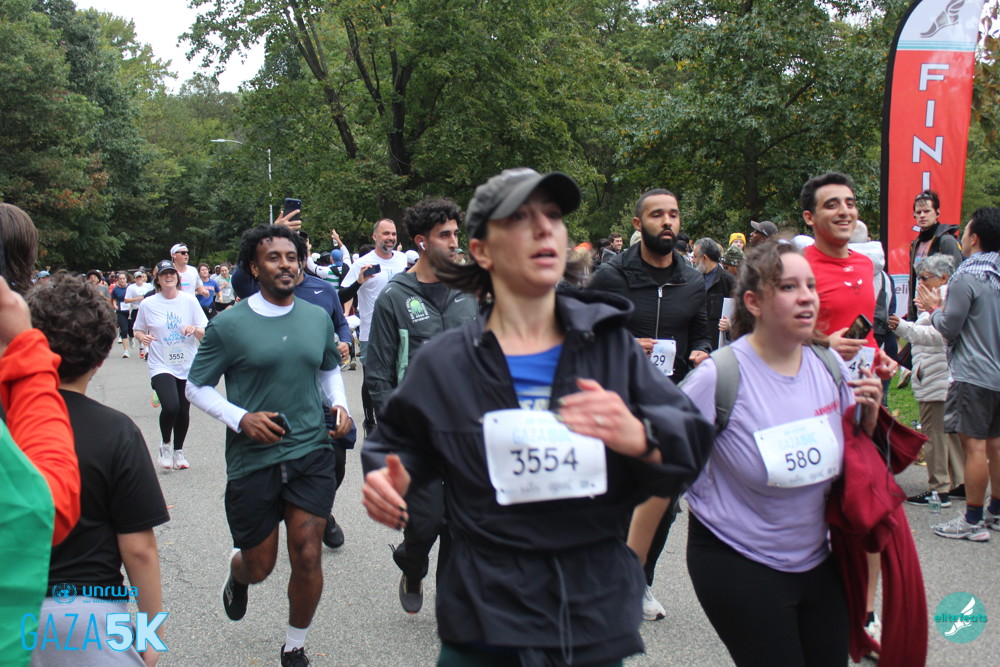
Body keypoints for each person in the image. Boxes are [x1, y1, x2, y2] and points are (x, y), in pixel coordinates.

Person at [361, 167, 713, 666]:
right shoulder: (446, 361)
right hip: (485, 617)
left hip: (588, 614)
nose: (545, 228)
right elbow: (395, 440)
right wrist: (385, 473)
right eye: (521, 219)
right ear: (482, 251)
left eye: (552, 216)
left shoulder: (607, 346)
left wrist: (640, 436)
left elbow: (691, 435)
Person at [680, 241, 883, 667]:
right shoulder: (717, 378)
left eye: (810, 285)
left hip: (820, 556)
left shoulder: (829, 365)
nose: (807, 296)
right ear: (753, 302)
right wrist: (629, 569)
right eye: (789, 286)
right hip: (737, 558)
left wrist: (867, 417)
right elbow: (657, 473)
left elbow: (855, 457)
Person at [185, 224, 352, 666]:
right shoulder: (229, 325)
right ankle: (238, 573)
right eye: (274, 258)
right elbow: (195, 387)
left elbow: (327, 368)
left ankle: (294, 646)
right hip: (254, 459)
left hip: (310, 451)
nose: (285, 265)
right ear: (254, 268)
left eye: (291, 257)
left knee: (308, 551)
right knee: (260, 567)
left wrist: (340, 406)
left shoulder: (316, 317)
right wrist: (240, 418)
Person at [27, 273, 169, 666]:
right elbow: (138, 549)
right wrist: (150, 634)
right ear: (102, 355)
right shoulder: (117, 432)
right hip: (88, 614)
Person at [588, 187, 710, 621]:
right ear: (639, 224)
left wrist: (702, 352)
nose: (667, 222)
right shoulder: (610, 276)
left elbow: (701, 332)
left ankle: (638, 579)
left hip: (669, 403)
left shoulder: (691, 280)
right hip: (617, 400)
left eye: (673, 214)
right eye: (657, 215)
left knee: (666, 500)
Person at [364, 197, 478, 613]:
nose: (454, 242)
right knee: (427, 520)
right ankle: (412, 564)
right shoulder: (395, 297)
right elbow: (378, 373)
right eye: (444, 235)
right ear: (422, 241)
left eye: (455, 233)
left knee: (461, 523)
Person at [917, 207, 1000, 541]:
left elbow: (950, 327)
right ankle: (995, 512)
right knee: (995, 445)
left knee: (975, 447)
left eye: (964, 232)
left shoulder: (968, 276)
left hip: (973, 374)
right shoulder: (996, 274)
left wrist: (934, 310)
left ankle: (972, 519)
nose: (961, 238)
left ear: (974, 238)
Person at [888, 254, 964, 507]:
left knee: (934, 436)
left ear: (943, 278)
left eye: (925, 277)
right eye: (918, 277)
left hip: (936, 376)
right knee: (949, 434)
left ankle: (939, 490)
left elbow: (937, 335)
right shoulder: (948, 297)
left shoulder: (944, 299)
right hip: (939, 375)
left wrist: (902, 327)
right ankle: (959, 483)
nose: (920, 282)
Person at [133, 260, 207, 471]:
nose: (168, 276)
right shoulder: (148, 303)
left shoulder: (189, 300)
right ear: (157, 279)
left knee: (183, 410)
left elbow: (204, 333)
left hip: (186, 363)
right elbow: (137, 329)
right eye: (164, 274)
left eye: (172, 273)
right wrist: (142, 338)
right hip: (161, 363)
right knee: (171, 406)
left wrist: (194, 330)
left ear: (177, 277)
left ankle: (178, 451)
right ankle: (165, 445)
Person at [338, 218, 408, 435]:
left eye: (393, 234)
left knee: (399, 378)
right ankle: (370, 423)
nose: (390, 238)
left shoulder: (402, 259)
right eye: (386, 233)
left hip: (400, 330)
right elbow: (341, 296)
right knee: (372, 380)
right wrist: (359, 281)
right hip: (371, 332)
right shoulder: (361, 263)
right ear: (375, 237)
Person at [907, 190, 962, 320]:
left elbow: (957, 278)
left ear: (937, 213)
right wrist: (911, 314)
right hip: (919, 309)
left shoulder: (946, 241)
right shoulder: (916, 243)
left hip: (940, 310)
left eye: (927, 211)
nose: (922, 215)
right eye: (918, 212)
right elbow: (913, 280)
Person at [692, 238, 736, 351]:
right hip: (697, 345)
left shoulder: (728, 280)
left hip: (719, 346)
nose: (693, 261)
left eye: (695, 257)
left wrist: (731, 324)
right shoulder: (694, 280)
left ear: (704, 258)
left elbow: (743, 313)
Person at [110, 272, 134, 358]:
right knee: (124, 330)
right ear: (118, 280)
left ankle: (131, 338)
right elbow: (114, 299)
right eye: (120, 279)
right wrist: (115, 305)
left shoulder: (131, 287)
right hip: (121, 311)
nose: (122, 280)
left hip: (130, 310)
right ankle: (126, 351)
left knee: (131, 329)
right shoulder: (116, 289)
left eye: (123, 278)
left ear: (126, 279)